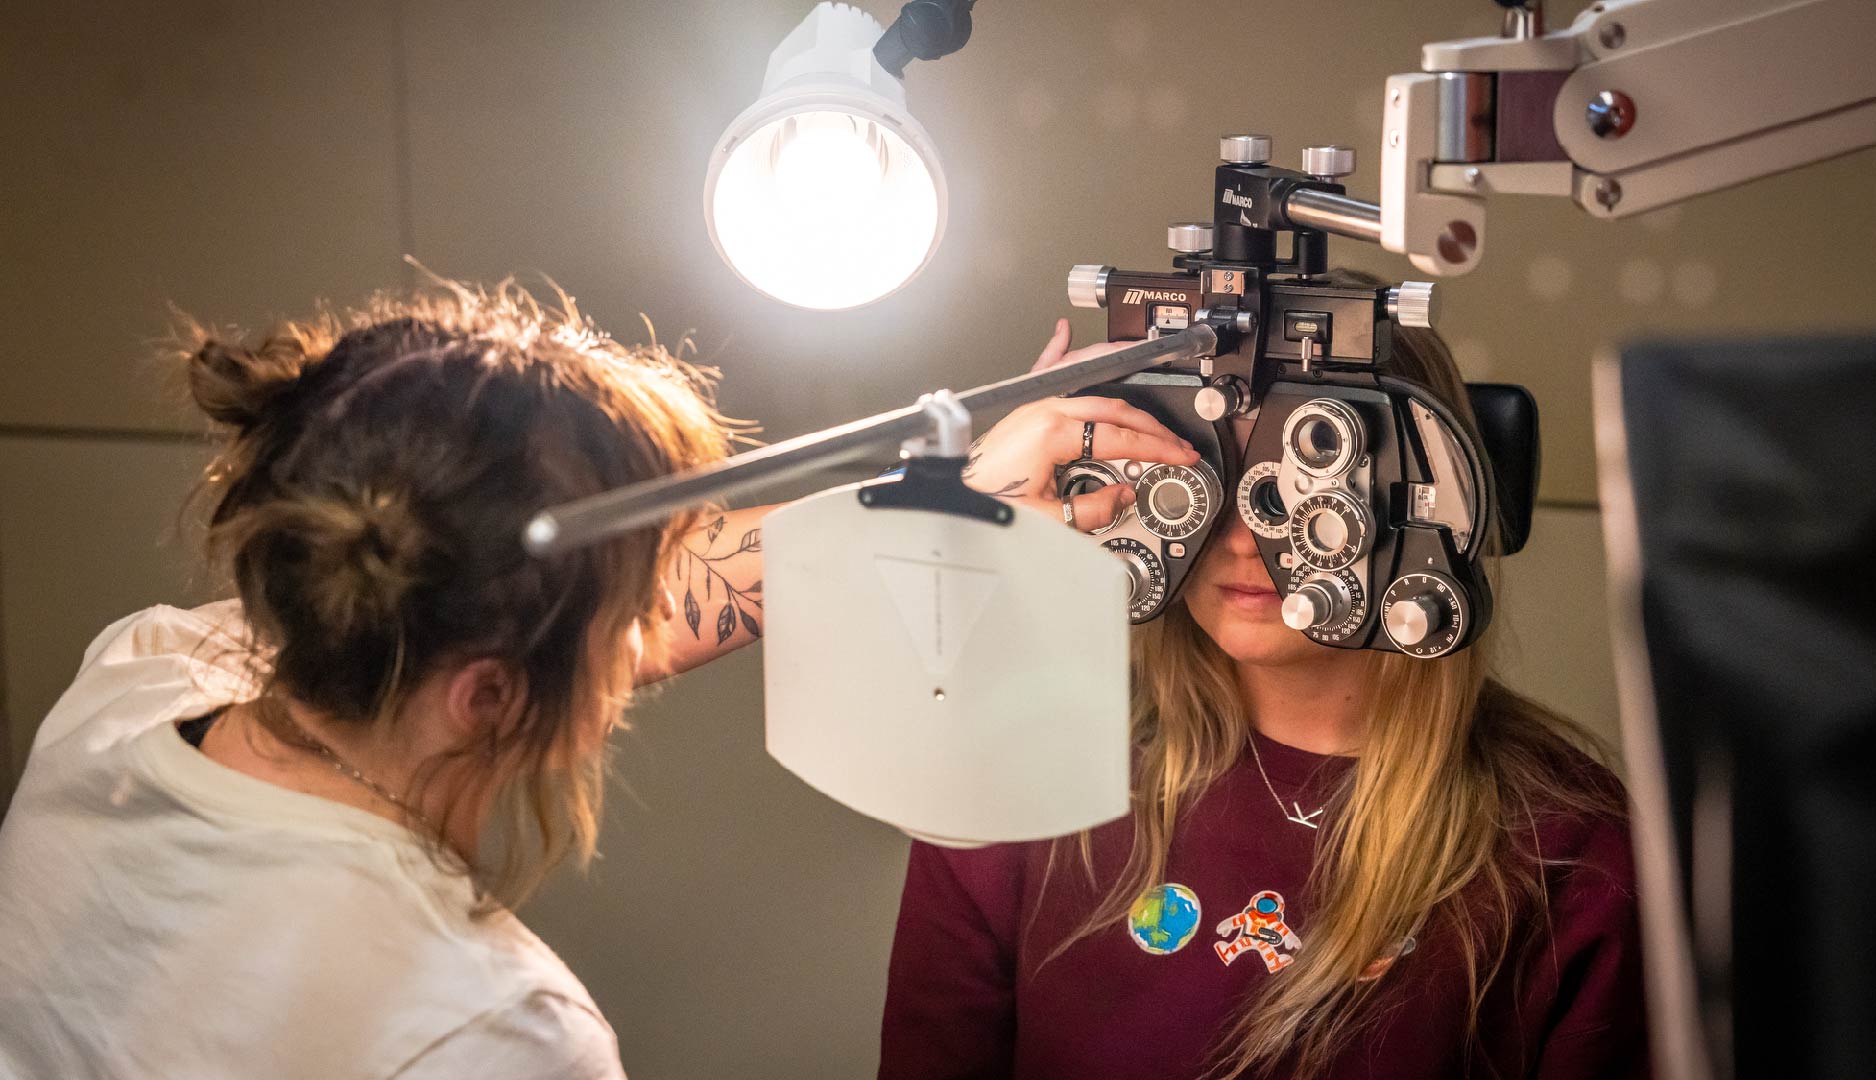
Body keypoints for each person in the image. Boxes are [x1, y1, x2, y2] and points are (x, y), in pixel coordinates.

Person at [0, 281, 1175, 1078]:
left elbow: (544, 595)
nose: (640, 644)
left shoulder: (143, 679)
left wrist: (952, 491)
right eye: (618, 629)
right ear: (488, 697)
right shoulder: (484, 1029)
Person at [878, 288, 1649, 1079]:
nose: (1244, 538)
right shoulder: (1015, 782)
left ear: (1432, 497)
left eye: (1302, 486)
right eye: (1209, 472)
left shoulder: (1568, 857)